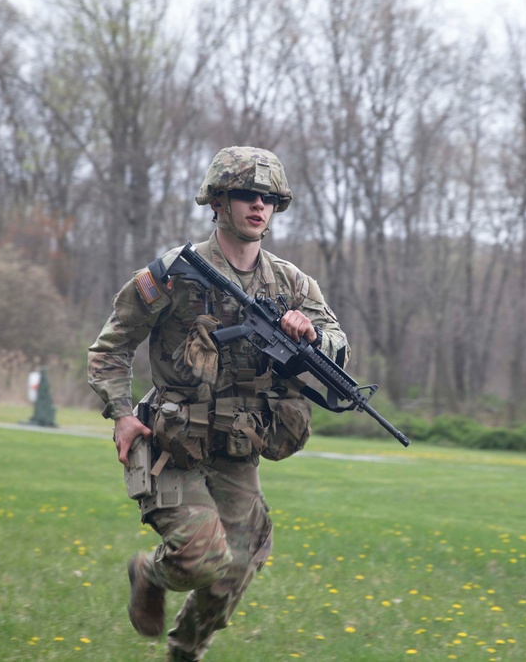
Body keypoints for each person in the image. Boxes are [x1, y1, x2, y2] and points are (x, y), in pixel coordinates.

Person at [87, 146, 349, 661]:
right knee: (201, 557)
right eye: (247, 195)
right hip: (171, 445)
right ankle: (150, 572)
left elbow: (339, 343)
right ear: (219, 201)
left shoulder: (290, 283)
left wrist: (313, 335)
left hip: (237, 447)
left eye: (269, 198)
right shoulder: (174, 273)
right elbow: (110, 348)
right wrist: (119, 414)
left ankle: (184, 653)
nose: (259, 205)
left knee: (239, 564)